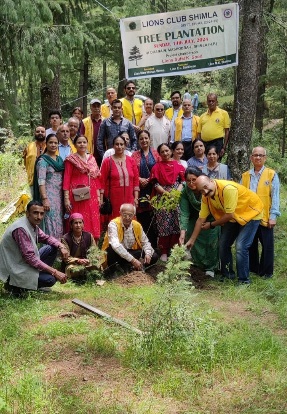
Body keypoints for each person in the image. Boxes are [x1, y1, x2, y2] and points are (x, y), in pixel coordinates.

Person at [186, 176, 264, 284]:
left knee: (241, 246)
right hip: (235, 216)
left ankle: (244, 281)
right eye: (201, 190)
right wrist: (191, 241)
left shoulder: (228, 189)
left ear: (212, 181)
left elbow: (229, 215)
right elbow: (201, 219)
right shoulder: (206, 197)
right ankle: (227, 275)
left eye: (206, 187)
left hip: (251, 213)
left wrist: (212, 224)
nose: (205, 191)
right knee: (223, 244)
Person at [0, 201, 68, 297]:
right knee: (50, 279)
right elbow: (30, 258)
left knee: (52, 248)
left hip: (23, 263)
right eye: (35, 213)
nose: (39, 217)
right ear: (27, 213)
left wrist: (61, 246)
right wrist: (55, 272)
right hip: (15, 268)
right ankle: (16, 287)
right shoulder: (21, 229)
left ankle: (33, 282)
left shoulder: (31, 224)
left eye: (41, 213)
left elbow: (46, 238)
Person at [241, 146, 280, 279]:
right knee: (250, 244)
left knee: (267, 245)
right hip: (250, 216)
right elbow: (241, 197)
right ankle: (254, 269)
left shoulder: (272, 174)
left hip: (265, 216)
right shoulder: (245, 176)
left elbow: (275, 197)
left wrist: (273, 215)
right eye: (255, 155)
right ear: (251, 158)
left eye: (260, 155)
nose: (258, 157)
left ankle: (267, 272)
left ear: (265, 158)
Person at [179, 168, 219, 276]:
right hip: (196, 218)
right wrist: (182, 231)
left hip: (212, 218)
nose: (191, 183)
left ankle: (211, 267)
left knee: (211, 240)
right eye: (188, 180)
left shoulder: (207, 188)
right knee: (190, 231)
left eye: (194, 179)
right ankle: (197, 265)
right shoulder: (185, 191)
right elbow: (184, 212)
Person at [150, 143, 185, 262]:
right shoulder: (156, 167)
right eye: (162, 152)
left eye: (167, 151)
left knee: (176, 223)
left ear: (171, 151)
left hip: (176, 198)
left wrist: (176, 194)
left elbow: (182, 181)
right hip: (162, 199)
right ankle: (164, 251)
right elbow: (155, 183)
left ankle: (174, 250)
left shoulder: (179, 166)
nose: (165, 153)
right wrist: (166, 194)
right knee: (164, 224)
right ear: (159, 154)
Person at [63, 135, 101, 241]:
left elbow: (96, 178)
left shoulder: (92, 159)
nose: (82, 144)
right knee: (78, 218)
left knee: (92, 218)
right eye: (79, 142)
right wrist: (66, 199)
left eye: (84, 142)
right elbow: (66, 179)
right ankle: (76, 244)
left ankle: (93, 245)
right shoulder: (71, 160)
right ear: (75, 145)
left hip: (92, 194)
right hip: (76, 195)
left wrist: (98, 196)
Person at [102, 203, 158, 274]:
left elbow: (145, 242)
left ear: (134, 215)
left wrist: (148, 254)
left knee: (154, 256)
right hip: (117, 254)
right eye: (124, 215)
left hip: (130, 252)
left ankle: (131, 267)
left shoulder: (137, 225)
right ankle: (113, 271)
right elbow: (115, 245)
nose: (127, 217)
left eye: (130, 215)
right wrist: (133, 260)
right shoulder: (113, 224)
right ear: (120, 213)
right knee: (111, 249)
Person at [132, 130, 161, 248]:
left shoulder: (156, 154)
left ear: (150, 139)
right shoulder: (134, 155)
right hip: (139, 189)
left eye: (146, 138)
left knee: (154, 217)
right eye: (141, 139)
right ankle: (144, 245)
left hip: (153, 188)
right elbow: (132, 170)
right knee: (142, 218)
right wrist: (139, 179)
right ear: (138, 141)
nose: (144, 140)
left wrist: (148, 180)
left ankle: (155, 245)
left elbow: (159, 169)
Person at [100, 135, 139, 220]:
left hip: (129, 198)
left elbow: (136, 180)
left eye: (121, 144)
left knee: (129, 221)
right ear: (113, 146)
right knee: (115, 223)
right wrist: (101, 199)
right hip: (114, 199)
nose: (119, 147)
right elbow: (101, 181)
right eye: (117, 144)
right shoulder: (107, 161)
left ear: (125, 146)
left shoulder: (131, 161)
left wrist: (136, 198)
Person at [33, 134, 65, 239]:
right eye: (51, 142)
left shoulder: (59, 160)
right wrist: (45, 199)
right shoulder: (43, 161)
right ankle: (50, 250)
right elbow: (41, 181)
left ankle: (59, 248)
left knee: (59, 223)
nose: (53, 145)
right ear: (46, 143)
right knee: (50, 224)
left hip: (59, 197)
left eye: (56, 143)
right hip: (49, 198)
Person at [61, 213, 97, 279]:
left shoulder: (89, 236)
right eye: (75, 223)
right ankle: (84, 275)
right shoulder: (65, 238)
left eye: (80, 222)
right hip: (72, 264)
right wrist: (78, 260)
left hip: (87, 262)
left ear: (83, 224)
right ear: (71, 225)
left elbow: (94, 252)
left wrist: (89, 260)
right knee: (74, 270)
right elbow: (66, 258)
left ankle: (87, 274)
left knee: (98, 266)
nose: (78, 225)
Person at [198, 93, 230, 158]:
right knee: (205, 163)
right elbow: (199, 133)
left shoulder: (223, 113)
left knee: (216, 163)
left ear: (216, 102)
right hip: (205, 144)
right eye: (209, 101)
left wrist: (224, 147)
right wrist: (200, 145)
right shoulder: (202, 116)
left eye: (213, 101)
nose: (211, 103)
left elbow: (227, 131)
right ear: (207, 102)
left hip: (217, 143)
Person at [23, 125, 46, 196]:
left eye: (42, 131)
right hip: (33, 180)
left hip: (47, 181)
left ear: (45, 134)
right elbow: (25, 162)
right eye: (38, 131)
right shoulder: (29, 146)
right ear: (34, 133)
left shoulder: (49, 145)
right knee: (35, 204)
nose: (40, 133)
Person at [80, 98, 102, 166]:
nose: (96, 108)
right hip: (89, 155)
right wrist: (85, 152)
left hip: (102, 154)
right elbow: (81, 137)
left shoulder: (105, 121)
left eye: (98, 106)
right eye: (94, 106)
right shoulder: (84, 122)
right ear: (90, 107)